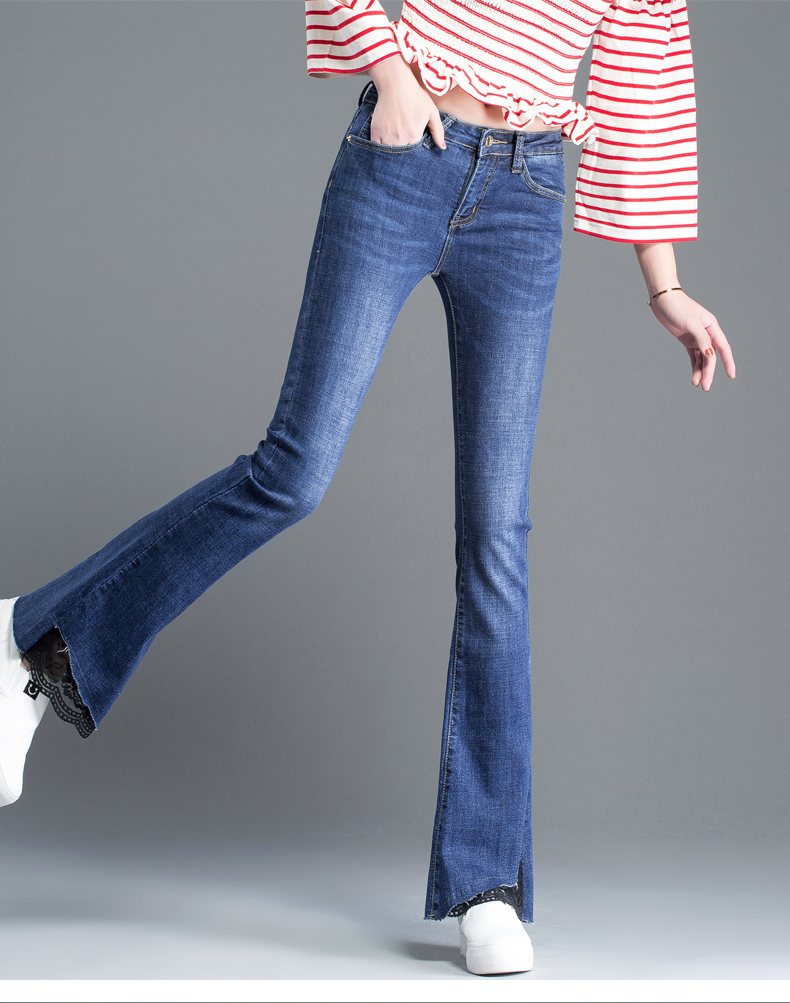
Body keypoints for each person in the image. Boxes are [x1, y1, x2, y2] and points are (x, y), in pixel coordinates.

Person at [0, 0, 735, 976]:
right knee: (292, 472)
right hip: (406, 155)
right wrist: (387, 72)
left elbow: (647, 84)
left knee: (498, 536)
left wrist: (662, 283)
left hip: (526, 194)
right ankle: (38, 643)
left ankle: (486, 883)